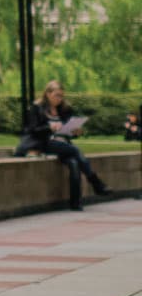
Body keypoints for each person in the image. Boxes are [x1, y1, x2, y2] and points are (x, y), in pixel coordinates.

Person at [21, 80, 112, 210]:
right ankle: (96, 182)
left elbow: (68, 131)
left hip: (63, 144)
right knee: (75, 150)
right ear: (47, 93)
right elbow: (32, 130)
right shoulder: (36, 108)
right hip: (45, 143)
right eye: (56, 95)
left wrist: (76, 132)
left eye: (61, 96)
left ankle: (76, 203)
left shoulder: (64, 109)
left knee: (74, 163)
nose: (59, 99)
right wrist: (49, 127)